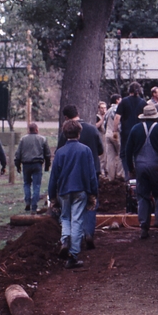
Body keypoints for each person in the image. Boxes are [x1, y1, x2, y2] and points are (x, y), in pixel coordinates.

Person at [48, 119, 98, 269]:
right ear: (79, 133)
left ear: (65, 133)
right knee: (77, 220)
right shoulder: (85, 150)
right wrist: (93, 193)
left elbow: (53, 177)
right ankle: (73, 255)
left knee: (65, 217)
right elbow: (91, 175)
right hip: (81, 190)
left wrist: (52, 196)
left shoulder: (60, 152)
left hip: (63, 190)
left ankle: (65, 241)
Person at [124, 104, 158, 239]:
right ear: (156, 117)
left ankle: (144, 226)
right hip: (157, 165)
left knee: (143, 196)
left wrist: (130, 168)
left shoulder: (135, 129)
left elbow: (128, 151)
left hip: (140, 166)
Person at [57, 105, 103, 249]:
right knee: (91, 203)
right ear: (78, 113)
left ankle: (70, 238)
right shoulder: (92, 129)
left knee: (72, 207)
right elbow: (100, 150)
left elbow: (59, 153)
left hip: (71, 174)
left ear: (66, 118)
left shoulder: (65, 133)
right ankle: (88, 232)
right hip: (92, 171)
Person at [14, 123, 52, 213]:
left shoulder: (23, 139)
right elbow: (47, 154)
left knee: (26, 183)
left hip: (26, 164)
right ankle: (34, 206)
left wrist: (17, 164)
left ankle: (27, 201)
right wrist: (47, 165)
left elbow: (18, 153)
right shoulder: (42, 139)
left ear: (29, 130)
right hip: (37, 164)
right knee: (37, 185)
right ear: (36, 130)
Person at [113, 82, 147, 180]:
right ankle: (139, 175)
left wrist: (115, 131)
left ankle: (129, 175)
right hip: (140, 131)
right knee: (138, 152)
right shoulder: (143, 102)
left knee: (125, 153)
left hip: (127, 132)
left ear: (129, 90)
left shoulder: (123, 102)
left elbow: (117, 117)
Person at [103, 94, 123, 181]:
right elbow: (118, 121)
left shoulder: (108, 110)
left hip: (108, 133)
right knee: (120, 154)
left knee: (110, 156)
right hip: (116, 134)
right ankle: (119, 175)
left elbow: (104, 123)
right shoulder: (117, 109)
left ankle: (111, 177)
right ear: (117, 100)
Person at [95, 101, 107, 175]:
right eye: (102, 108)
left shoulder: (107, 115)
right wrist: (102, 119)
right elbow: (96, 126)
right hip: (100, 136)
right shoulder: (97, 117)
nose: (103, 109)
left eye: (105, 108)